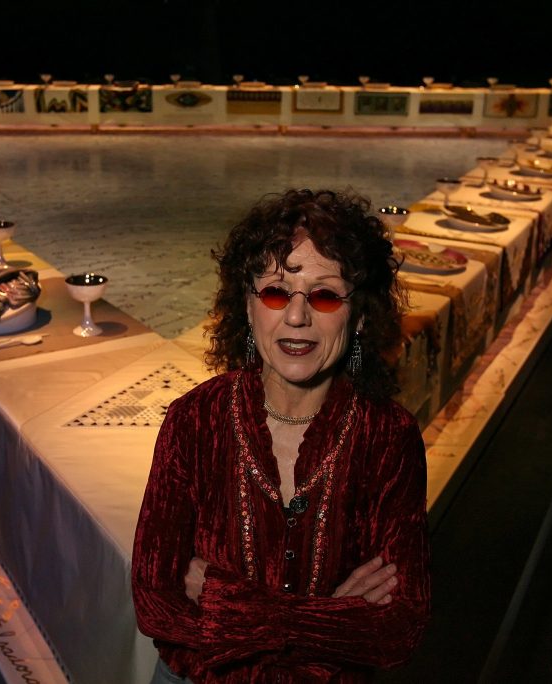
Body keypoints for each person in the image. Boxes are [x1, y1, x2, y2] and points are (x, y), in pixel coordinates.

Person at [132, 189, 430, 683]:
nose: (296, 317)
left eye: (326, 295)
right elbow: (154, 603)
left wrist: (228, 603)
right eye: (275, 292)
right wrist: (328, 617)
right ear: (247, 308)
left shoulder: (388, 438)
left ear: (359, 317)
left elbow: (398, 628)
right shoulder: (194, 420)